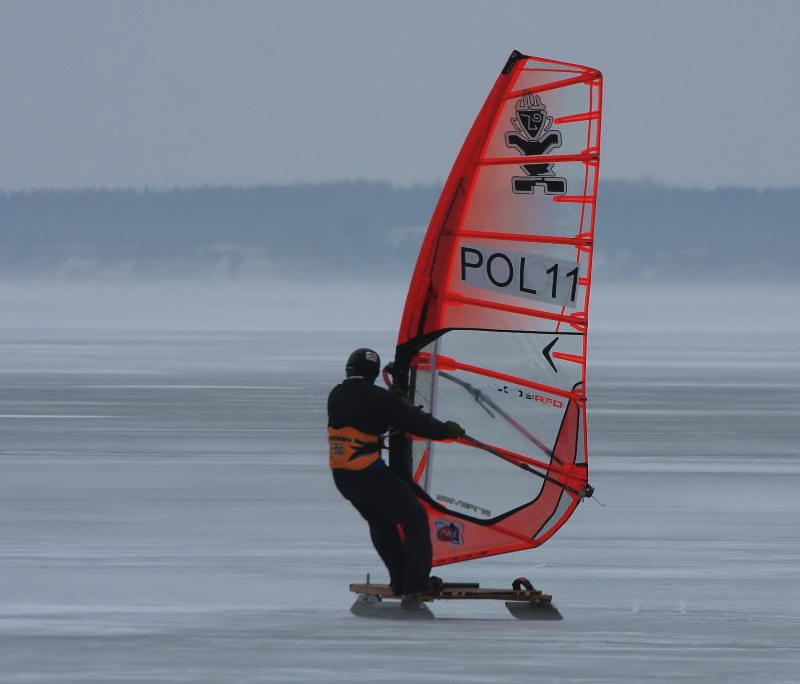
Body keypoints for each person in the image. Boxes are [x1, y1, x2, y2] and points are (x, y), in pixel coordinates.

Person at [328, 347, 465, 598]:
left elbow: (370, 414)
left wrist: (394, 402)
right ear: (374, 373)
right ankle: (415, 585)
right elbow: (414, 422)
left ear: (349, 369)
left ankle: (401, 581)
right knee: (413, 518)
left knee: (381, 523)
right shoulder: (379, 398)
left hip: (344, 478)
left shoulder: (336, 395)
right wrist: (447, 431)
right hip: (369, 475)